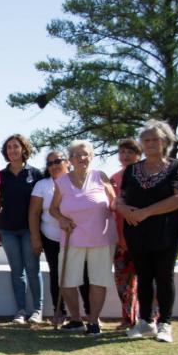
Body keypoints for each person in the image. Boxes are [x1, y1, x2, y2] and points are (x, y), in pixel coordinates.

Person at [119, 120, 178, 343]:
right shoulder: (132, 170)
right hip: (137, 233)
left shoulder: (177, 167)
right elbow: (120, 198)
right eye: (146, 140)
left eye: (155, 139)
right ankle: (145, 322)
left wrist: (146, 212)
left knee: (164, 277)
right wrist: (124, 209)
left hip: (166, 233)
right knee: (144, 277)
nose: (150, 143)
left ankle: (165, 323)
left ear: (165, 142)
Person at [50, 140, 117, 336]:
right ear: (70, 160)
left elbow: (113, 202)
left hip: (101, 237)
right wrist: (61, 219)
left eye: (85, 154)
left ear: (92, 156)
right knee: (67, 280)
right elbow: (54, 208)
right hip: (72, 236)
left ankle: (94, 321)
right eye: (76, 155)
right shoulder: (61, 182)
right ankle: (76, 319)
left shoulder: (100, 176)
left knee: (98, 279)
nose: (81, 158)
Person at [29, 151, 90, 327]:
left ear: (68, 162)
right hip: (51, 238)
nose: (54, 165)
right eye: (50, 163)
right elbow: (34, 213)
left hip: (78, 237)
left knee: (83, 275)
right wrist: (35, 238)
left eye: (58, 161)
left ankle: (90, 314)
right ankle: (60, 312)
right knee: (57, 275)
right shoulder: (42, 185)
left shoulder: (79, 180)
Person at [0, 134, 44, 324]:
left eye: (16, 146)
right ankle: (20, 311)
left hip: (30, 231)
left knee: (32, 269)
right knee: (17, 271)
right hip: (8, 230)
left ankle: (37, 310)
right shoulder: (0, 176)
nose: (12, 150)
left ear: (23, 149)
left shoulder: (36, 174)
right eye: (9, 148)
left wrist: (39, 233)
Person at [110, 138, 143, 329]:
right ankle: (128, 319)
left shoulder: (145, 177)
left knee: (146, 281)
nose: (126, 156)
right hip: (120, 238)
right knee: (124, 283)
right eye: (122, 152)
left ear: (138, 155)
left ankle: (148, 319)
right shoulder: (114, 178)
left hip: (143, 238)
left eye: (130, 152)